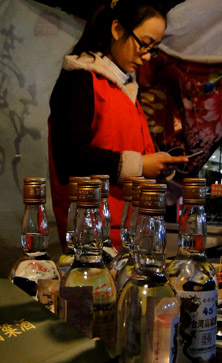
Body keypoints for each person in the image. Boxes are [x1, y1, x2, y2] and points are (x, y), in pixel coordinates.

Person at [48, 0, 188, 249]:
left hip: (130, 232)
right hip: (92, 237)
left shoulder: (124, 88)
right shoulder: (80, 80)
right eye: (144, 43)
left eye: (153, 49)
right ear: (116, 29)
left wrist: (155, 165)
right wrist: (139, 165)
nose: (147, 56)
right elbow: (70, 158)